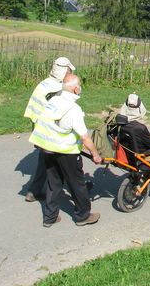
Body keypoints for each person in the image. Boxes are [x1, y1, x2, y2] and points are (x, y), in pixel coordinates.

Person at [29, 74, 102, 227]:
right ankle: (83, 215)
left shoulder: (54, 101)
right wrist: (95, 154)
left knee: (53, 183)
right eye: (79, 85)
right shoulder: (73, 109)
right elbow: (85, 138)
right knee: (77, 183)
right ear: (76, 89)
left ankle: (50, 217)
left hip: (48, 149)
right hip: (67, 152)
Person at [23, 56, 76, 202]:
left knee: (45, 159)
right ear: (65, 71)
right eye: (69, 70)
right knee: (67, 160)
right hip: (51, 130)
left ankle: (33, 191)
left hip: (40, 128)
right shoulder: (57, 88)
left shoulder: (44, 84)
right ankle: (76, 190)